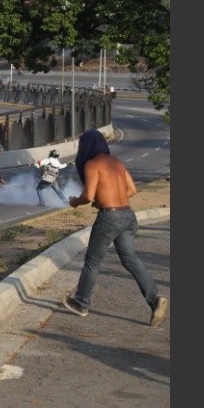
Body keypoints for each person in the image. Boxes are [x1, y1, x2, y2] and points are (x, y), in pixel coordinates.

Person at [62, 129, 168, 326]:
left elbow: (88, 195)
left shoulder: (92, 164)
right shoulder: (117, 162)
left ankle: (82, 303)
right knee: (131, 259)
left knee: (93, 261)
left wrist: (74, 202)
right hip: (128, 215)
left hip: (109, 218)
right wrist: (108, 199)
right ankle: (155, 299)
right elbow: (132, 190)